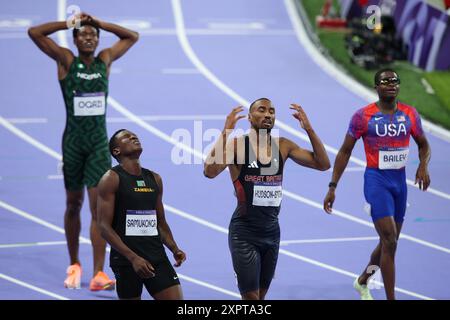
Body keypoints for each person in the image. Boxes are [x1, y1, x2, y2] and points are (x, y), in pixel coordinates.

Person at [28, 13, 139, 290]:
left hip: (99, 147)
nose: (89, 38)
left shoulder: (105, 60)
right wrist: (68, 23)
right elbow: (35, 32)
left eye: (93, 35)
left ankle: (99, 273)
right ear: (75, 40)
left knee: (99, 210)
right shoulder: (67, 61)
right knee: (73, 205)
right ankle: (74, 263)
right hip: (73, 145)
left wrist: (101, 23)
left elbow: (132, 36)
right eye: (84, 34)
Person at [204, 99, 330, 300]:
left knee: (260, 298)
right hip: (244, 233)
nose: (268, 115)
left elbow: (323, 164)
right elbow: (210, 171)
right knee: (251, 298)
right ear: (249, 117)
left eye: (271, 111)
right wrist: (226, 132)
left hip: (272, 233)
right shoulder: (237, 145)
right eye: (261, 110)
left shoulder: (283, 145)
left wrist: (309, 129)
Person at [323, 69, 431, 300]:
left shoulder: (410, 114)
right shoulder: (363, 117)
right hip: (377, 181)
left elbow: (423, 144)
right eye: (385, 81)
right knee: (390, 240)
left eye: (395, 81)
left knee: (388, 244)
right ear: (376, 87)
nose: (391, 84)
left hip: (399, 184)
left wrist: (423, 165)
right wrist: (333, 186)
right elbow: (344, 151)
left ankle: (363, 281)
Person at [97, 129, 186, 300]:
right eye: (126, 137)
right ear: (117, 151)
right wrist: (133, 258)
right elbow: (104, 227)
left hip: (156, 256)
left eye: (134, 136)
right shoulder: (111, 179)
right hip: (126, 260)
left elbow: (160, 222)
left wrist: (174, 248)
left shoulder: (154, 178)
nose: (133, 137)